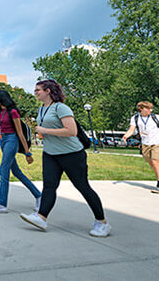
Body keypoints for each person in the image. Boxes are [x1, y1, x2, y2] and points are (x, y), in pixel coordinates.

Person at [20, 79, 111, 237]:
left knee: (83, 187)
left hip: (72, 154)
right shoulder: (42, 109)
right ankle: (41, 217)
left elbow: (71, 131)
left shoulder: (61, 108)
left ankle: (102, 223)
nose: (35, 93)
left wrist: (45, 130)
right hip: (50, 154)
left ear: (48, 91)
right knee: (49, 186)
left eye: (38, 90)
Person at [0, 90, 41, 214]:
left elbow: (20, 133)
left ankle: (2, 204)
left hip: (12, 140)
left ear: (4, 98)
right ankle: (39, 196)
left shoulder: (13, 112)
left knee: (4, 169)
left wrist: (28, 153)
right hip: (3, 140)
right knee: (16, 172)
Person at [122, 101, 159, 193]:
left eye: (151, 108)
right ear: (141, 109)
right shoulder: (135, 118)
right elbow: (131, 129)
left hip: (157, 143)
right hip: (145, 144)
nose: (150, 110)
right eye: (148, 108)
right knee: (153, 166)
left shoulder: (156, 117)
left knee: (156, 163)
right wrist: (126, 136)